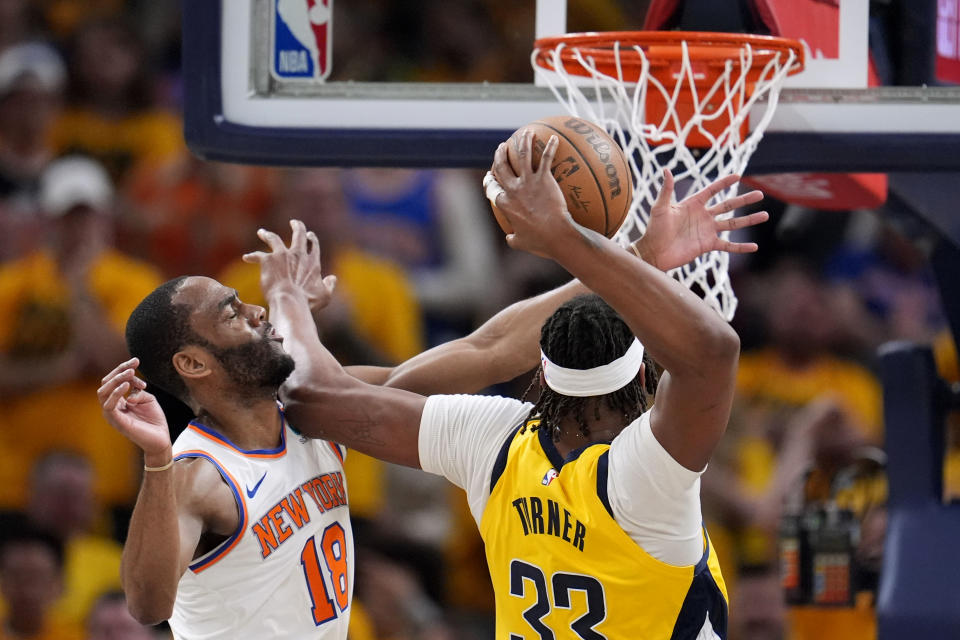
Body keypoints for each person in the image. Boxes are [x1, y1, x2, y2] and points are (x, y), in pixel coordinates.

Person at [97, 161, 763, 637]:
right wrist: (157, 459)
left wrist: (641, 255)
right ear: (191, 362)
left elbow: (483, 352)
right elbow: (148, 603)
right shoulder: (198, 471)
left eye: (248, 300)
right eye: (229, 312)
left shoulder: (337, 418)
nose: (251, 311)